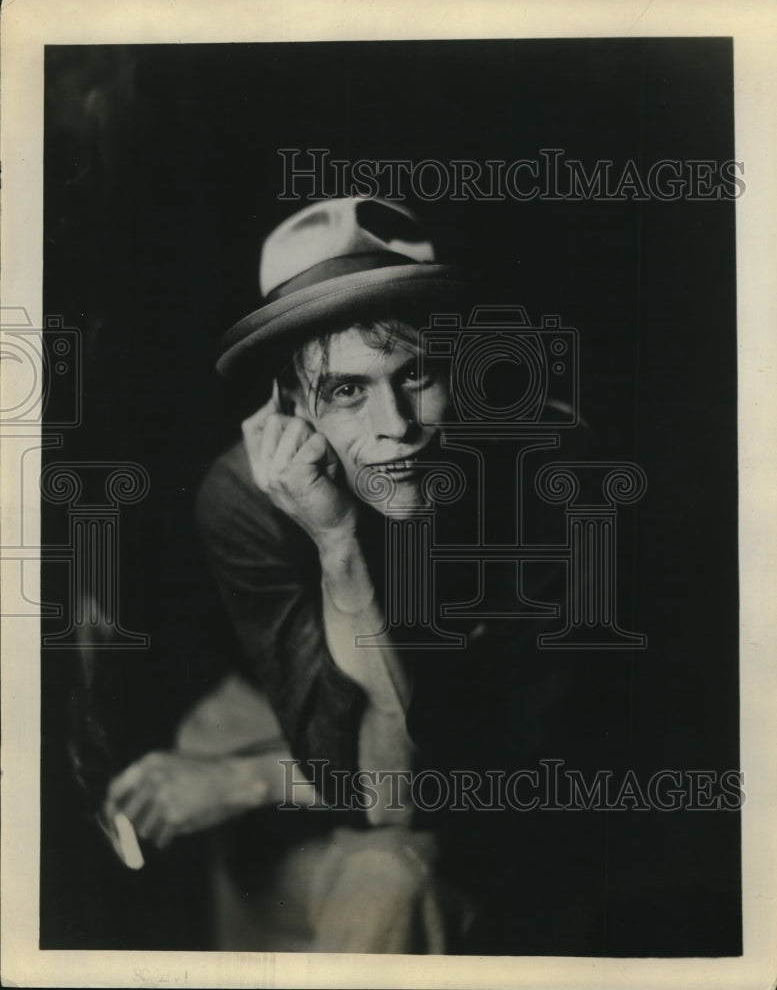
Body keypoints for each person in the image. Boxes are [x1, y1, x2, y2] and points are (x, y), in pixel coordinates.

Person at [103, 197, 595, 954]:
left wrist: (240, 782)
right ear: (291, 406)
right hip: (285, 728)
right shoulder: (242, 496)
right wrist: (336, 541)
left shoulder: (549, 476)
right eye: (346, 390)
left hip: (465, 777)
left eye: (416, 375)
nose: (394, 425)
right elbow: (366, 772)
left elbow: (449, 781)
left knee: (397, 878)